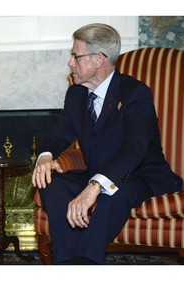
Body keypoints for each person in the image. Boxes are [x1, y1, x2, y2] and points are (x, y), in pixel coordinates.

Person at [32, 23, 183, 265]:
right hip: (97, 172)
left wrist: (95, 187)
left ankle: (85, 262)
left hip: (141, 175)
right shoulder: (76, 94)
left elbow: (134, 150)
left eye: (75, 56)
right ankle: (65, 261)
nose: (70, 63)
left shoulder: (135, 93)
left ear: (98, 59)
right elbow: (58, 135)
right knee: (53, 183)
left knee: (114, 192)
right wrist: (46, 157)